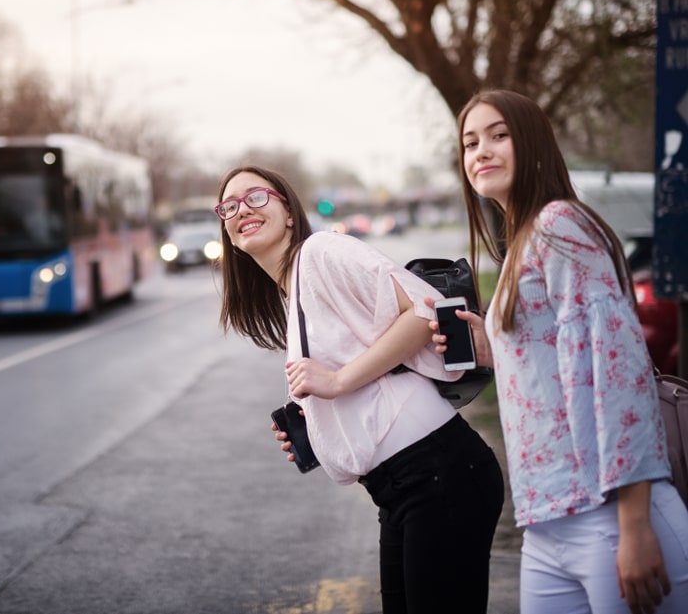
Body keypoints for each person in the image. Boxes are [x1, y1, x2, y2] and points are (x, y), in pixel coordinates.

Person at [215, 165, 504, 614]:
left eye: (255, 197)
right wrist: (318, 422)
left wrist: (337, 382)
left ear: (288, 210)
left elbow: (424, 310)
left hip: (438, 474)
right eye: (228, 207)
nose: (241, 211)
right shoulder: (294, 291)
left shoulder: (320, 252)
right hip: (400, 488)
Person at [446, 89, 688, 614]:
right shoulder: (522, 242)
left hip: (608, 514)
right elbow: (554, 359)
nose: (481, 151)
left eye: (498, 135)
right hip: (546, 520)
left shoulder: (561, 226)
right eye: (470, 143)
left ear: (532, 144)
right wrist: (498, 352)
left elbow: (618, 373)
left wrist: (635, 525)